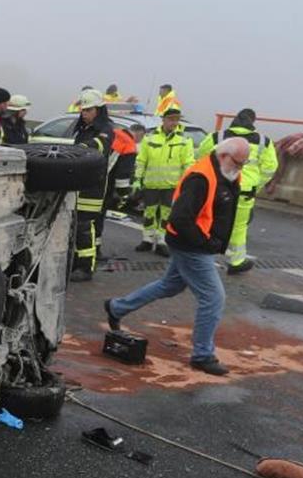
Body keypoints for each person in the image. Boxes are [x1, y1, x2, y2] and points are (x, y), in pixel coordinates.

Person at [104, 137, 249, 376]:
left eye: (243, 164)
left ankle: (117, 308)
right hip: (191, 246)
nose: (240, 168)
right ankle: (202, 355)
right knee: (213, 298)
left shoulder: (227, 173)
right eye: (238, 162)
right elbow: (180, 219)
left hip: (196, 244)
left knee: (168, 286)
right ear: (224, 156)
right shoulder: (201, 178)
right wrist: (205, 242)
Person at [196, 108, 278, 274]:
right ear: (253, 122)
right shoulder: (264, 141)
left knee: (209, 222)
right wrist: (256, 184)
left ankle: (200, 258)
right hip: (245, 191)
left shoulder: (217, 136)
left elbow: (200, 156)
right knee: (239, 227)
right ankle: (236, 261)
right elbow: (270, 168)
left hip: (219, 188)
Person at [133, 107, 194, 255]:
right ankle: (147, 239)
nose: (174, 122)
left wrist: (187, 184)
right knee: (149, 213)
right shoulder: (150, 138)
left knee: (166, 215)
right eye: (171, 119)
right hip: (151, 184)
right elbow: (141, 161)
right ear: (164, 120)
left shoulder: (184, 141)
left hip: (172, 185)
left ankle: (162, 241)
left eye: (176, 120)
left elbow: (188, 164)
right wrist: (137, 180)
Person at [69, 89, 114, 282]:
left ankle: (86, 267)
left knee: (85, 225)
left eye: (88, 110)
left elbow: (100, 145)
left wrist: (80, 149)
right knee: (76, 225)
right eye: (83, 110)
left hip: (93, 186)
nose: (84, 114)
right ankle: (77, 262)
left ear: (98, 110)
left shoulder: (105, 128)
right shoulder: (84, 128)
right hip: (80, 183)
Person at [105, 123, 139, 223]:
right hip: (105, 182)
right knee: (98, 213)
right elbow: (123, 175)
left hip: (92, 174)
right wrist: (123, 194)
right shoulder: (129, 145)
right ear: (139, 135)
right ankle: (95, 237)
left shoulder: (114, 133)